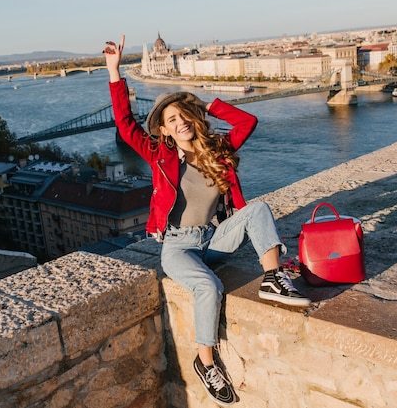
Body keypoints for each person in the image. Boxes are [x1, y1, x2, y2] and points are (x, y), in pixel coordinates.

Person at [104, 35, 310, 406]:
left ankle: (273, 279)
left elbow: (249, 120)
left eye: (184, 115)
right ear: (163, 130)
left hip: (213, 239)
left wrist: (208, 103)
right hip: (179, 246)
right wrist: (115, 73)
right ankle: (206, 363)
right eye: (171, 120)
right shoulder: (157, 156)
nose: (180, 122)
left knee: (259, 210)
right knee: (208, 287)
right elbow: (125, 124)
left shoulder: (218, 150)